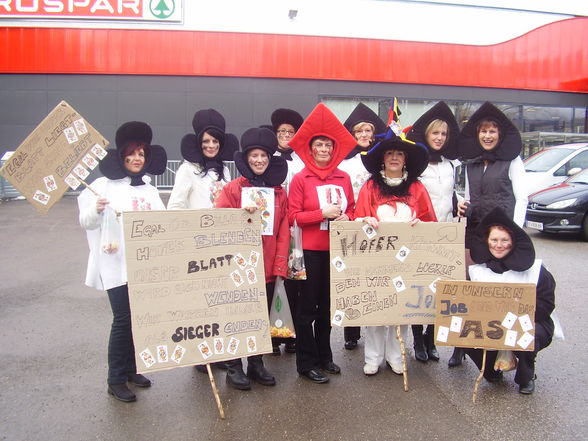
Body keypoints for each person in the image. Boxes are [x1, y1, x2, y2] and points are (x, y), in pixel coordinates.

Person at [78, 121, 167, 402]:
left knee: (137, 319)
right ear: (121, 156)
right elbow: (85, 222)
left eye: (141, 153)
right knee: (123, 319)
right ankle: (115, 379)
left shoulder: (150, 190)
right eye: (131, 153)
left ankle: (131, 369)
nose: (136, 158)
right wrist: (96, 208)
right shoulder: (101, 186)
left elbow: (163, 224)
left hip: (143, 265)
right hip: (114, 264)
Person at [354, 132, 437, 376]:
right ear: (382, 159)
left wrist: (418, 224)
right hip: (376, 258)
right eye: (389, 153)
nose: (394, 157)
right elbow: (356, 220)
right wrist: (365, 219)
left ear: (405, 159)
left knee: (401, 309)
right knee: (376, 309)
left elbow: (430, 222)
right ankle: (373, 357)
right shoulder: (370, 187)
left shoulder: (417, 188)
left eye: (399, 154)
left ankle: (397, 355)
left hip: (407, 260)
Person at [454, 101, 528, 366]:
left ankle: (509, 353)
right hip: (475, 234)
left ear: (500, 135)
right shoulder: (470, 164)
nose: (487, 135)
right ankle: (462, 346)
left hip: (503, 238)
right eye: (482, 131)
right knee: (472, 289)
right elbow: (465, 194)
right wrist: (461, 203)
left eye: (492, 131)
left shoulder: (512, 161)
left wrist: (515, 234)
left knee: (503, 294)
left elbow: (522, 198)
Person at [215, 127, 290, 390]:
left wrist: (280, 263)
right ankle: (234, 367)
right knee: (238, 316)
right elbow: (218, 222)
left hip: (268, 266)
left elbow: (283, 228)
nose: (259, 160)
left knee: (261, 318)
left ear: (270, 159)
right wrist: (240, 214)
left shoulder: (279, 192)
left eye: (264, 156)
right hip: (239, 266)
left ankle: (256, 364)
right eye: (254, 156)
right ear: (246, 159)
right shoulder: (233, 189)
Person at [288, 103, 357, 383]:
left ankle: (325, 355)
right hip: (309, 251)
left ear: (334, 149)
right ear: (311, 149)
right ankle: (306, 362)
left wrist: (345, 217)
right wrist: (321, 214)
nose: (325, 150)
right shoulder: (300, 178)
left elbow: (352, 208)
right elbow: (293, 216)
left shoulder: (345, 177)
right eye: (319, 145)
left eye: (328, 145)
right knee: (307, 310)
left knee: (329, 308)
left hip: (335, 251)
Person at [463, 207, 555, 394]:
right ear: (487, 241)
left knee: (529, 333)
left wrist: (515, 319)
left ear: (513, 242)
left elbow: (547, 303)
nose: (499, 245)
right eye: (494, 240)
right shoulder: (477, 271)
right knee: (461, 334)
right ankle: (490, 371)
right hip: (491, 325)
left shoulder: (537, 271)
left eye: (504, 240)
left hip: (531, 321)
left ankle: (525, 377)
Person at [405, 101, 460, 363]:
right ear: (426, 135)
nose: (439, 138)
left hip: (446, 234)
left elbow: (450, 196)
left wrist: (459, 204)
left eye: (443, 134)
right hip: (422, 234)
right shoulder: (416, 165)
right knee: (420, 289)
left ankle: (431, 337)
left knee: (441, 290)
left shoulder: (451, 165)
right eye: (435, 133)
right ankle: (417, 339)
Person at [339, 102, 387, 350]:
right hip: (351, 224)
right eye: (359, 131)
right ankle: (351, 331)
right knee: (351, 279)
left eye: (368, 130)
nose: (364, 135)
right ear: (353, 134)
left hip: (375, 223)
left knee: (372, 279)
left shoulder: (380, 160)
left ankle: (374, 327)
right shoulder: (345, 162)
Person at [270, 108, 305, 355]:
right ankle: (272, 335)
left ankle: (291, 335)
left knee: (295, 281)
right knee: (273, 281)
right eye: (281, 131)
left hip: (297, 229)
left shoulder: (302, 159)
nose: (285, 135)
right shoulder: (266, 157)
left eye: (290, 132)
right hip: (273, 227)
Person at [167, 108, 237, 210]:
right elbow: (175, 206)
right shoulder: (187, 169)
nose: (211, 145)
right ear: (199, 143)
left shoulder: (225, 170)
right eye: (206, 141)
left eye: (215, 141)